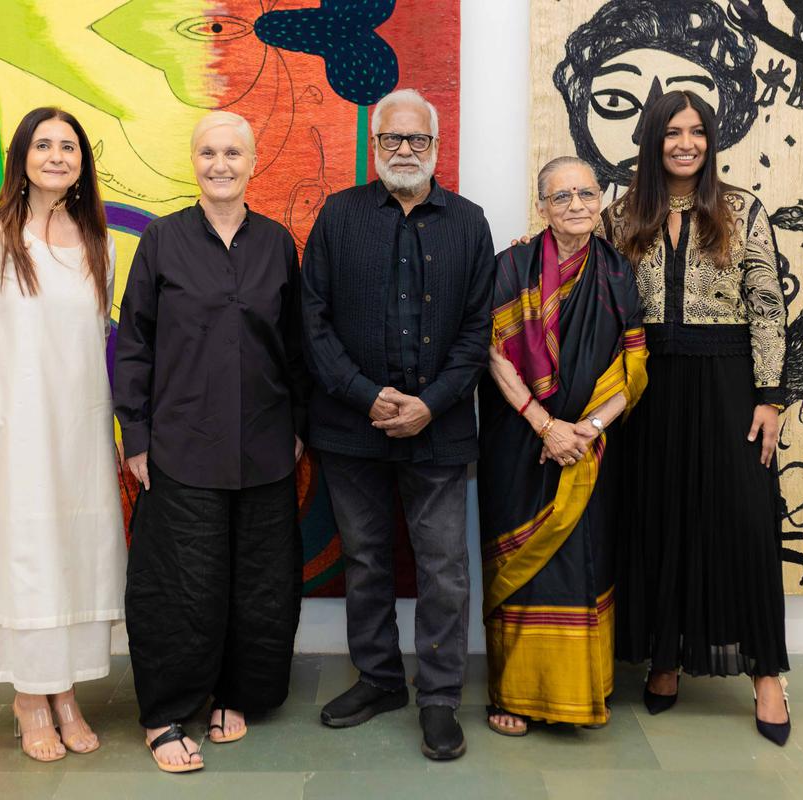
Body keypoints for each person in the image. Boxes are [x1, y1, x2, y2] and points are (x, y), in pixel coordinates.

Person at [300, 88, 495, 761]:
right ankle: (380, 679)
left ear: (437, 149)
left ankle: (439, 699)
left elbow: (478, 331)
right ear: (375, 145)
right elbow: (312, 320)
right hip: (350, 426)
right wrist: (365, 395)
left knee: (444, 568)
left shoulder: (469, 223)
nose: (405, 150)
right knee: (365, 560)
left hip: (438, 433)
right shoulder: (337, 215)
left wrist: (430, 404)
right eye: (393, 140)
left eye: (418, 140)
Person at [113, 110, 309, 774]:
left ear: (254, 162)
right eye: (207, 152)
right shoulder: (164, 241)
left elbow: (294, 349)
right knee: (182, 585)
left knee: (258, 583)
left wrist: (299, 430)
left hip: (264, 447)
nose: (220, 163)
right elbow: (133, 346)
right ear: (192, 161)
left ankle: (236, 692)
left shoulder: (279, 243)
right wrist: (134, 434)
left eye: (232, 152)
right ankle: (164, 713)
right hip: (180, 446)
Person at [0, 108, 125, 762]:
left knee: (74, 550)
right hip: (11, 432)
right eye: (43, 144)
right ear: (22, 156)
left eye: (68, 146)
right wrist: (3, 404)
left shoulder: (101, 239)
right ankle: (29, 697)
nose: (56, 155)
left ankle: (65, 689)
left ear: (82, 163)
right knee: (24, 551)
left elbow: (94, 335)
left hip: (78, 428)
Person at [603, 89, 792, 745]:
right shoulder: (621, 214)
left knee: (742, 521)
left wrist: (769, 398)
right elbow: (591, 287)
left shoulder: (742, 210)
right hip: (647, 385)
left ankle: (769, 674)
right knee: (657, 516)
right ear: (652, 140)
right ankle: (663, 660)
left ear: (710, 142)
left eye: (698, 132)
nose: (686, 143)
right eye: (673, 132)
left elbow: (767, 303)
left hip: (727, 380)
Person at [479, 157, 647, 736]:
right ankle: (514, 693)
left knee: (581, 563)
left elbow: (634, 365)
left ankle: (579, 691)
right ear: (541, 206)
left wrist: (586, 430)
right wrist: (544, 424)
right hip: (519, 443)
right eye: (561, 196)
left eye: (586, 193)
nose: (576, 204)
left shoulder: (618, 273)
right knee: (523, 569)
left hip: (590, 452)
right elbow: (493, 355)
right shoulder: (511, 266)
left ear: (600, 199)